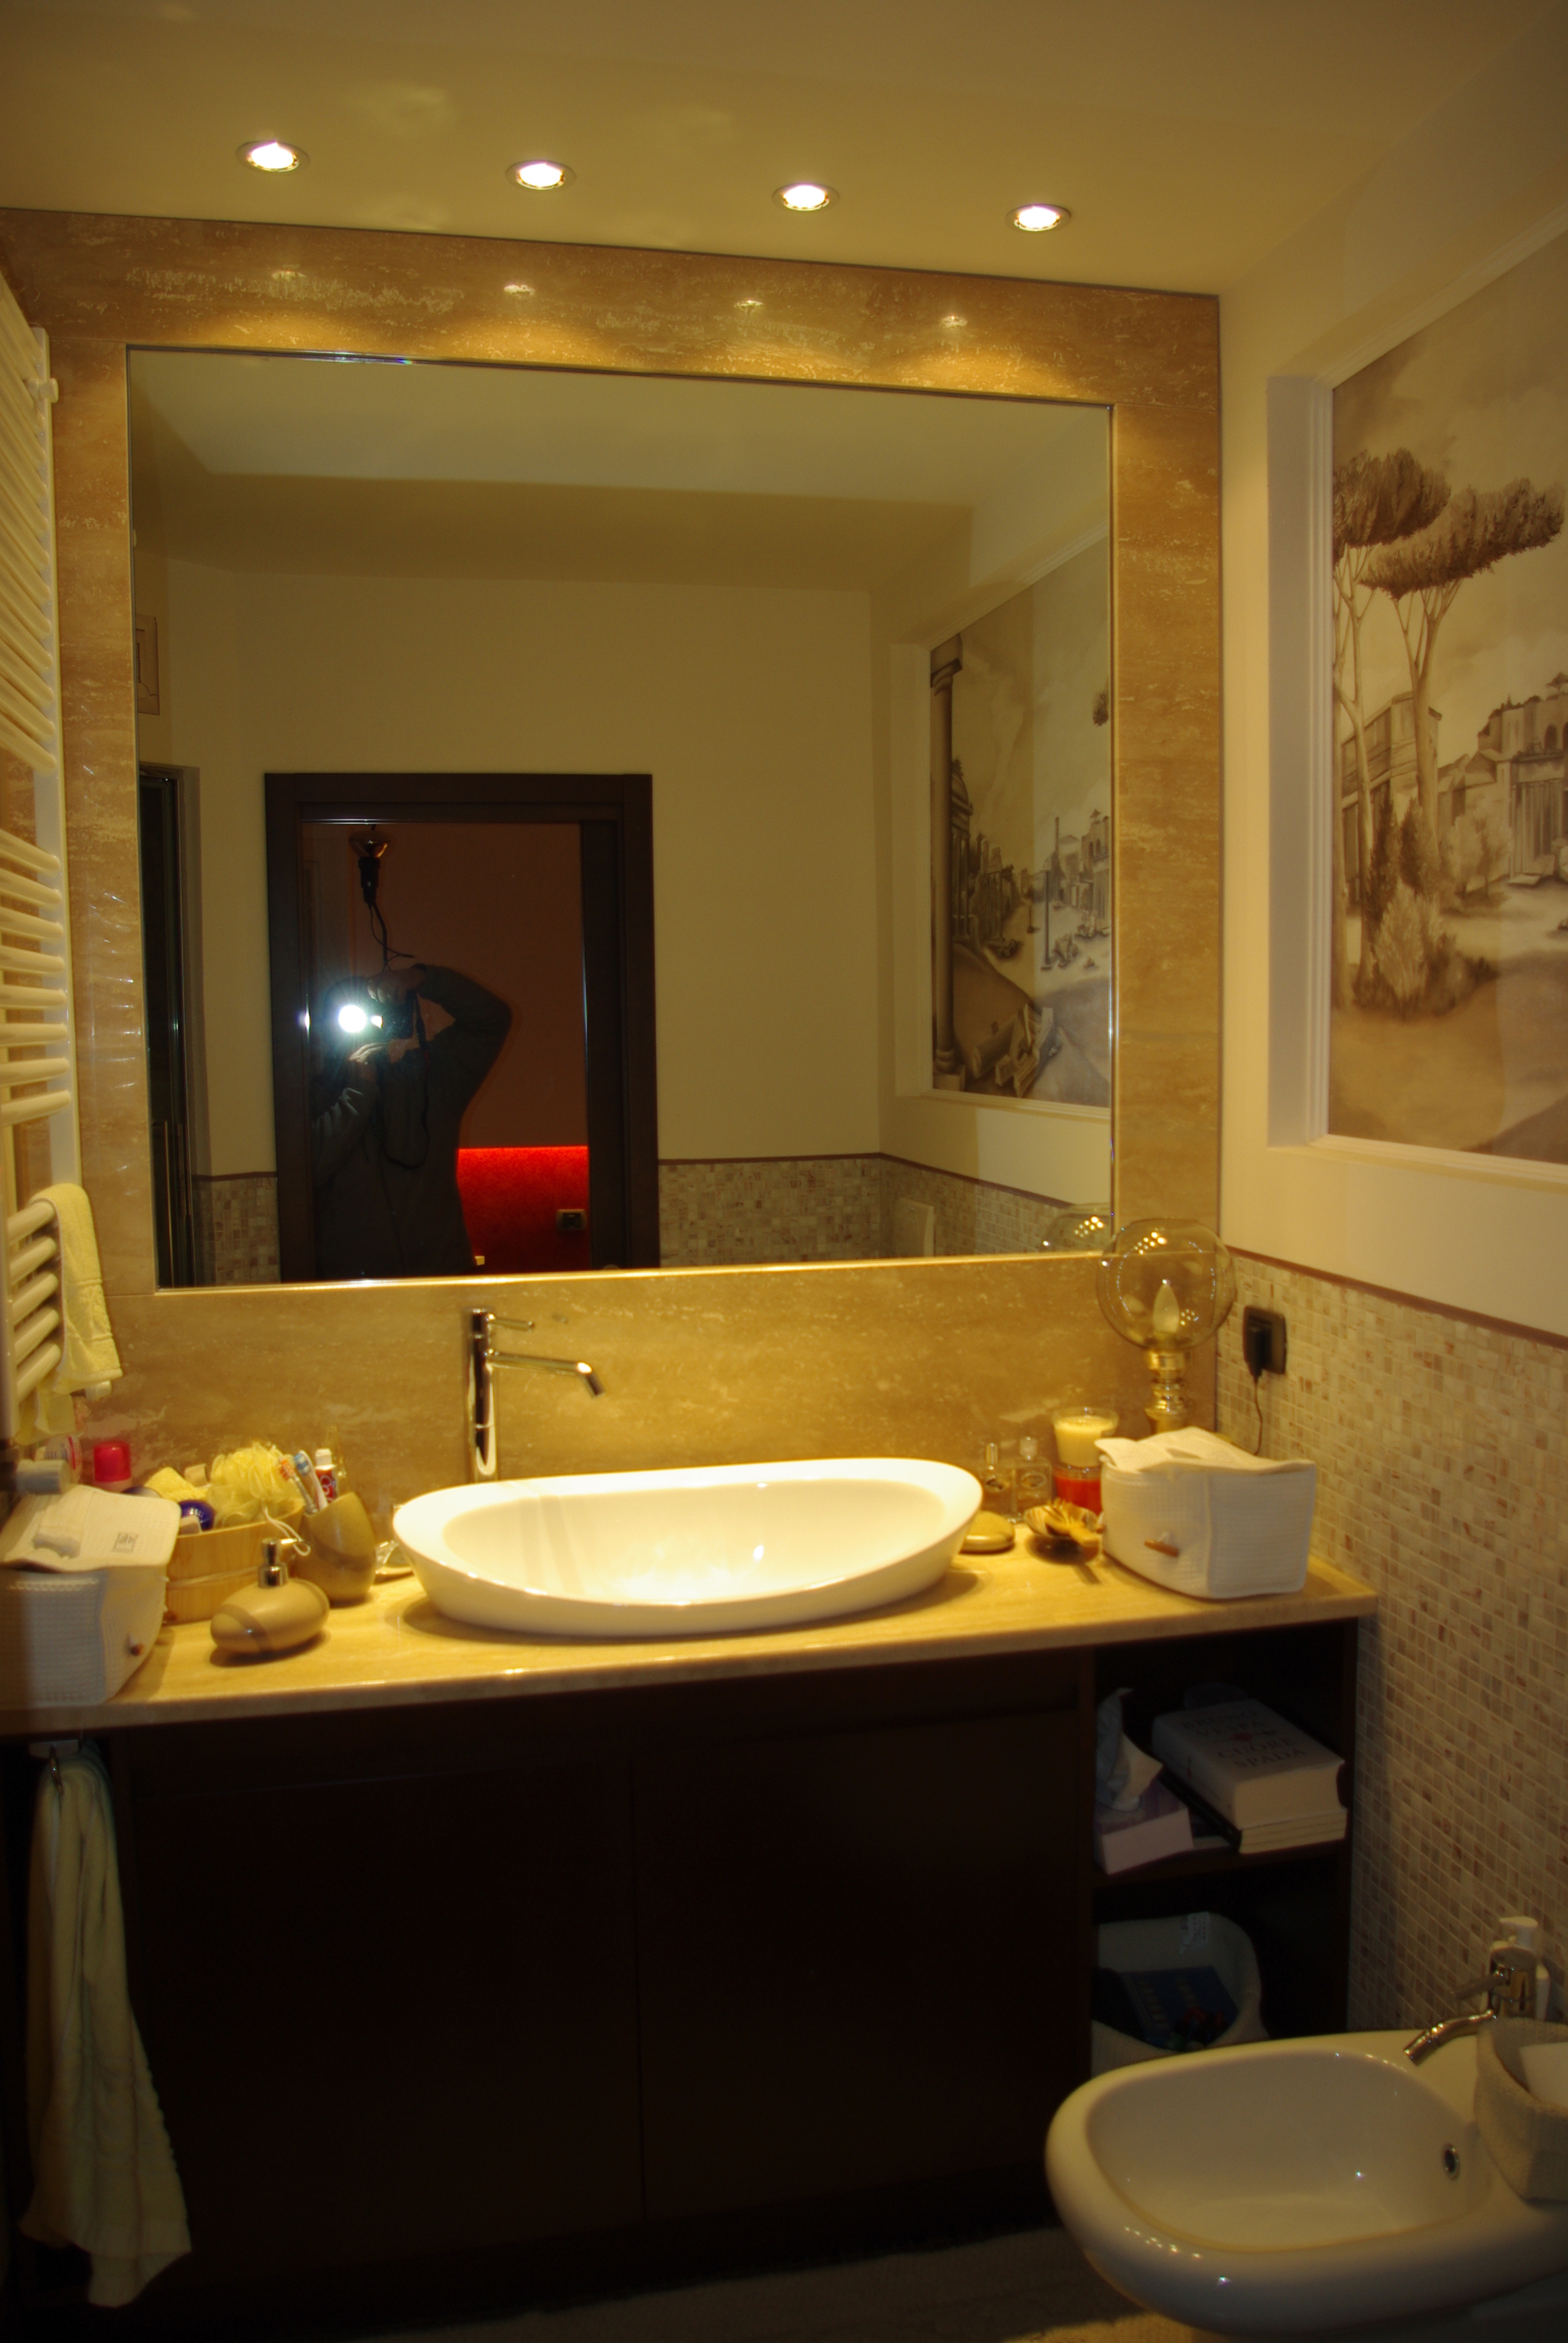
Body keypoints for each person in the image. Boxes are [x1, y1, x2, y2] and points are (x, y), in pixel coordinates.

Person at [310, 962, 511, 1280]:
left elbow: (492, 1020)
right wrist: (357, 1096)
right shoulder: (311, 1100)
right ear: (323, 1031)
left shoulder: (432, 1080)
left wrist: (423, 979)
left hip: (441, 1278)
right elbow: (307, 1169)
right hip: (354, 1288)